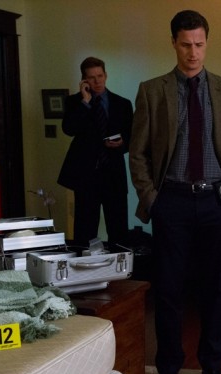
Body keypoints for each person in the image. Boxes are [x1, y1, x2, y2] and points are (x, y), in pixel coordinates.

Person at [129, 10, 221, 374]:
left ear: (207, 43)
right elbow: (138, 153)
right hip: (173, 202)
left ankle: (213, 365)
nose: (193, 53)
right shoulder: (152, 91)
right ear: (173, 43)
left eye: (199, 44)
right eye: (185, 45)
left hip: (217, 201)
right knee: (168, 290)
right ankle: (168, 370)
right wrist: (152, 199)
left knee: (215, 289)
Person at [59, 56, 133, 246]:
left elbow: (133, 137)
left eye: (100, 76)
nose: (97, 81)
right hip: (86, 175)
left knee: (118, 229)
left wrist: (122, 143)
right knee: (85, 230)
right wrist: (85, 102)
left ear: (106, 75)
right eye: (92, 78)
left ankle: (120, 264)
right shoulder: (74, 102)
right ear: (84, 80)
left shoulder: (122, 104)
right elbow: (69, 129)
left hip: (113, 174)